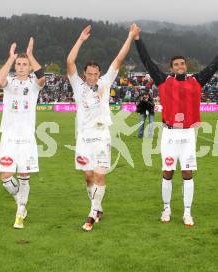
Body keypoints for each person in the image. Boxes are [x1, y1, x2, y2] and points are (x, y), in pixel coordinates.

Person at [134, 24, 218, 227]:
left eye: (182, 64)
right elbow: (148, 62)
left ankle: (187, 212)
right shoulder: (163, 81)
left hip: (188, 134)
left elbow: (214, 66)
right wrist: (137, 39)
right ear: (171, 68)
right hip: (170, 135)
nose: (180, 66)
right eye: (176, 64)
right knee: (167, 172)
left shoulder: (196, 81)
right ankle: (167, 208)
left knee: (188, 173)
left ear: (186, 66)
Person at [66, 24, 136, 231]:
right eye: (89, 73)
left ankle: (92, 213)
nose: (93, 76)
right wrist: (80, 39)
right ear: (85, 74)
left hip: (101, 134)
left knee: (100, 175)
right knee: (88, 176)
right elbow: (70, 61)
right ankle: (97, 207)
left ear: (99, 74)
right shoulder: (78, 86)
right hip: (83, 137)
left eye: (96, 73)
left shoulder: (105, 83)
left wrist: (130, 36)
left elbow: (119, 60)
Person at [0, 38, 46, 229]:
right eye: (19, 63)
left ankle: (20, 211)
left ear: (29, 67)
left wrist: (31, 55)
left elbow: (42, 78)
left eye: (25, 64)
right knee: (5, 176)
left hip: (26, 136)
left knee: (24, 174)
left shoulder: (34, 83)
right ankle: (20, 200)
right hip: (8, 134)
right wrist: (10, 58)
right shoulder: (9, 82)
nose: (22, 67)